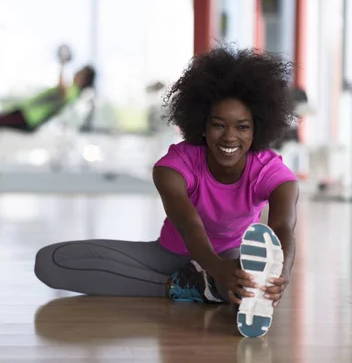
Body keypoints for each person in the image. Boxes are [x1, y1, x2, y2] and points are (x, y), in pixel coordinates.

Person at [33, 44, 299, 338]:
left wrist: (281, 272)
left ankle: (225, 287)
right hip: (169, 254)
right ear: (202, 124)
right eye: (218, 125)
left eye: (243, 127)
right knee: (50, 263)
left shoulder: (270, 172)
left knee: (241, 273)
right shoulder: (173, 166)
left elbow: (282, 226)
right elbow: (188, 223)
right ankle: (197, 288)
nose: (230, 137)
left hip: (231, 258)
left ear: (257, 128)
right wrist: (214, 271)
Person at [0, 65, 96, 152]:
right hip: (24, 113)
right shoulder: (72, 90)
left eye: (80, 72)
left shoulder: (73, 92)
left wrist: (62, 64)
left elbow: (62, 90)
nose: (76, 72)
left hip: (28, 117)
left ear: (83, 78)